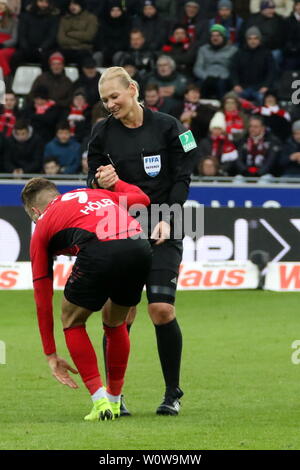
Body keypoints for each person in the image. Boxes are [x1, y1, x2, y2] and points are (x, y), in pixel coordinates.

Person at [87, 66, 199, 416]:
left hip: (166, 223)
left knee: (161, 310)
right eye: (105, 100)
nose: (110, 105)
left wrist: (168, 217)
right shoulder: (102, 132)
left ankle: (172, 393)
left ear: (132, 89)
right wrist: (100, 179)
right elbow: (91, 178)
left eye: (115, 97)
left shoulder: (168, 125)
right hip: (121, 228)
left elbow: (184, 174)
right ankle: (114, 398)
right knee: (120, 314)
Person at [21, 177, 152, 421]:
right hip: (139, 246)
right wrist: (117, 182)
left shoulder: (42, 227)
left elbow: (42, 295)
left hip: (99, 249)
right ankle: (114, 401)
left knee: (72, 320)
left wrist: (50, 353)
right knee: (115, 323)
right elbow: (143, 199)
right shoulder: (94, 194)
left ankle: (100, 401)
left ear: (35, 211)